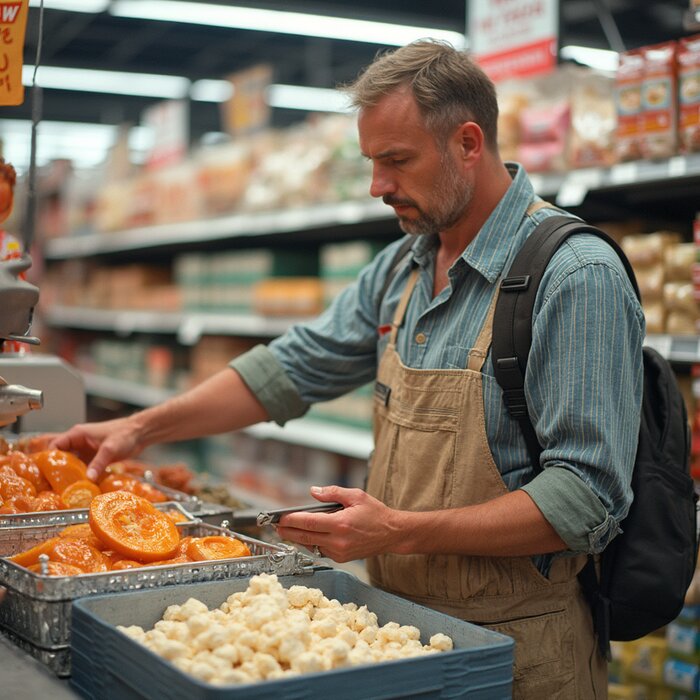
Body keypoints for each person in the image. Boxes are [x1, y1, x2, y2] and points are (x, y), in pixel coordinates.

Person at [53, 40, 644, 697]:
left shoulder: (573, 276)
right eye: (372, 162)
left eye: (396, 161)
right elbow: (292, 367)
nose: (377, 186)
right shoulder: (402, 268)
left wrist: (397, 531)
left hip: (522, 655)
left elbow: (586, 499)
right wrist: (139, 428)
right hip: (398, 636)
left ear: (468, 144)